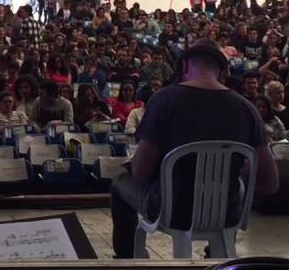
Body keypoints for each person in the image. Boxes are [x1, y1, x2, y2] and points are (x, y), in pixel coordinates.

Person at [109, 39, 278, 259]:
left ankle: (126, 259)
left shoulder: (163, 100)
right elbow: (270, 184)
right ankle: (216, 253)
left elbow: (141, 172)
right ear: (223, 71)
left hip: (172, 211)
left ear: (185, 66)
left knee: (119, 183)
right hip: (226, 213)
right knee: (237, 185)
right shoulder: (247, 108)